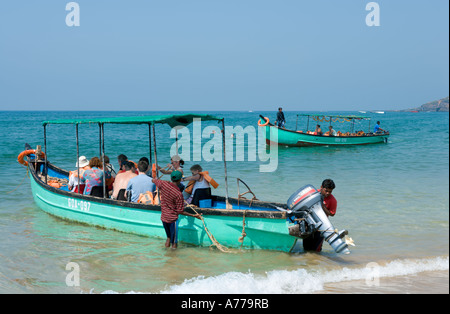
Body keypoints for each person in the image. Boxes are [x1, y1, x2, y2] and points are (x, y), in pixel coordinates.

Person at [152, 170, 201, 249]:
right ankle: (173, 258)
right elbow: (180, 211)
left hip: (164, 217)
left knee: (168, 238)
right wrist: (193, 215)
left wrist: (154, 179)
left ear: (171, 178)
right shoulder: (178, 194)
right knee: (174, 242)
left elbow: (154, 180)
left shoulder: (163, 184)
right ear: (180, 180)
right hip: (172, 220)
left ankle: (166, 255)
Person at [303, 179, 337, 252]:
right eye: (326, 190)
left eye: (330, 191)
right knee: (306, 248)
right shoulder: (313, 194)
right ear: (321, 187)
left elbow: (332, 214)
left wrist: (323, 206)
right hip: (309, 223)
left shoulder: (332, 200)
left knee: (316, 250)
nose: (328, 193)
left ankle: (318, 262)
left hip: (321, 226)